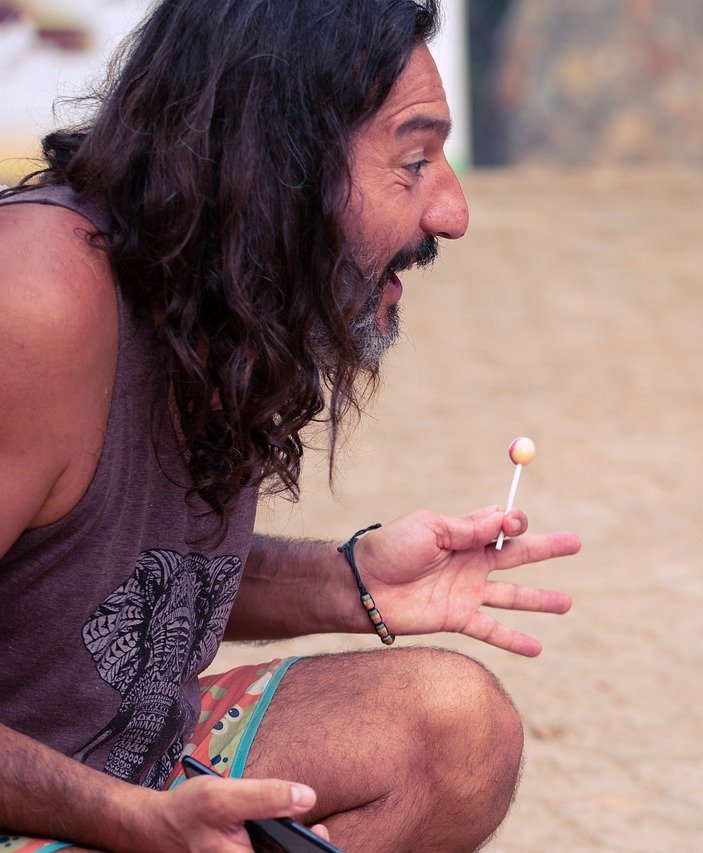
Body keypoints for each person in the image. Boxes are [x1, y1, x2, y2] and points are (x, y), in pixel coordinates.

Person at [0, 1, 581, 850]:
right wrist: (130, 821)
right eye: (413, 161)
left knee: (455, 730)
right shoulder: (36, 299)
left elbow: (112, 580)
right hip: (55, 799)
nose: (452, 211)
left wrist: (352, 582)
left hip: (124, 760)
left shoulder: (211, 284)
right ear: (277, 162)